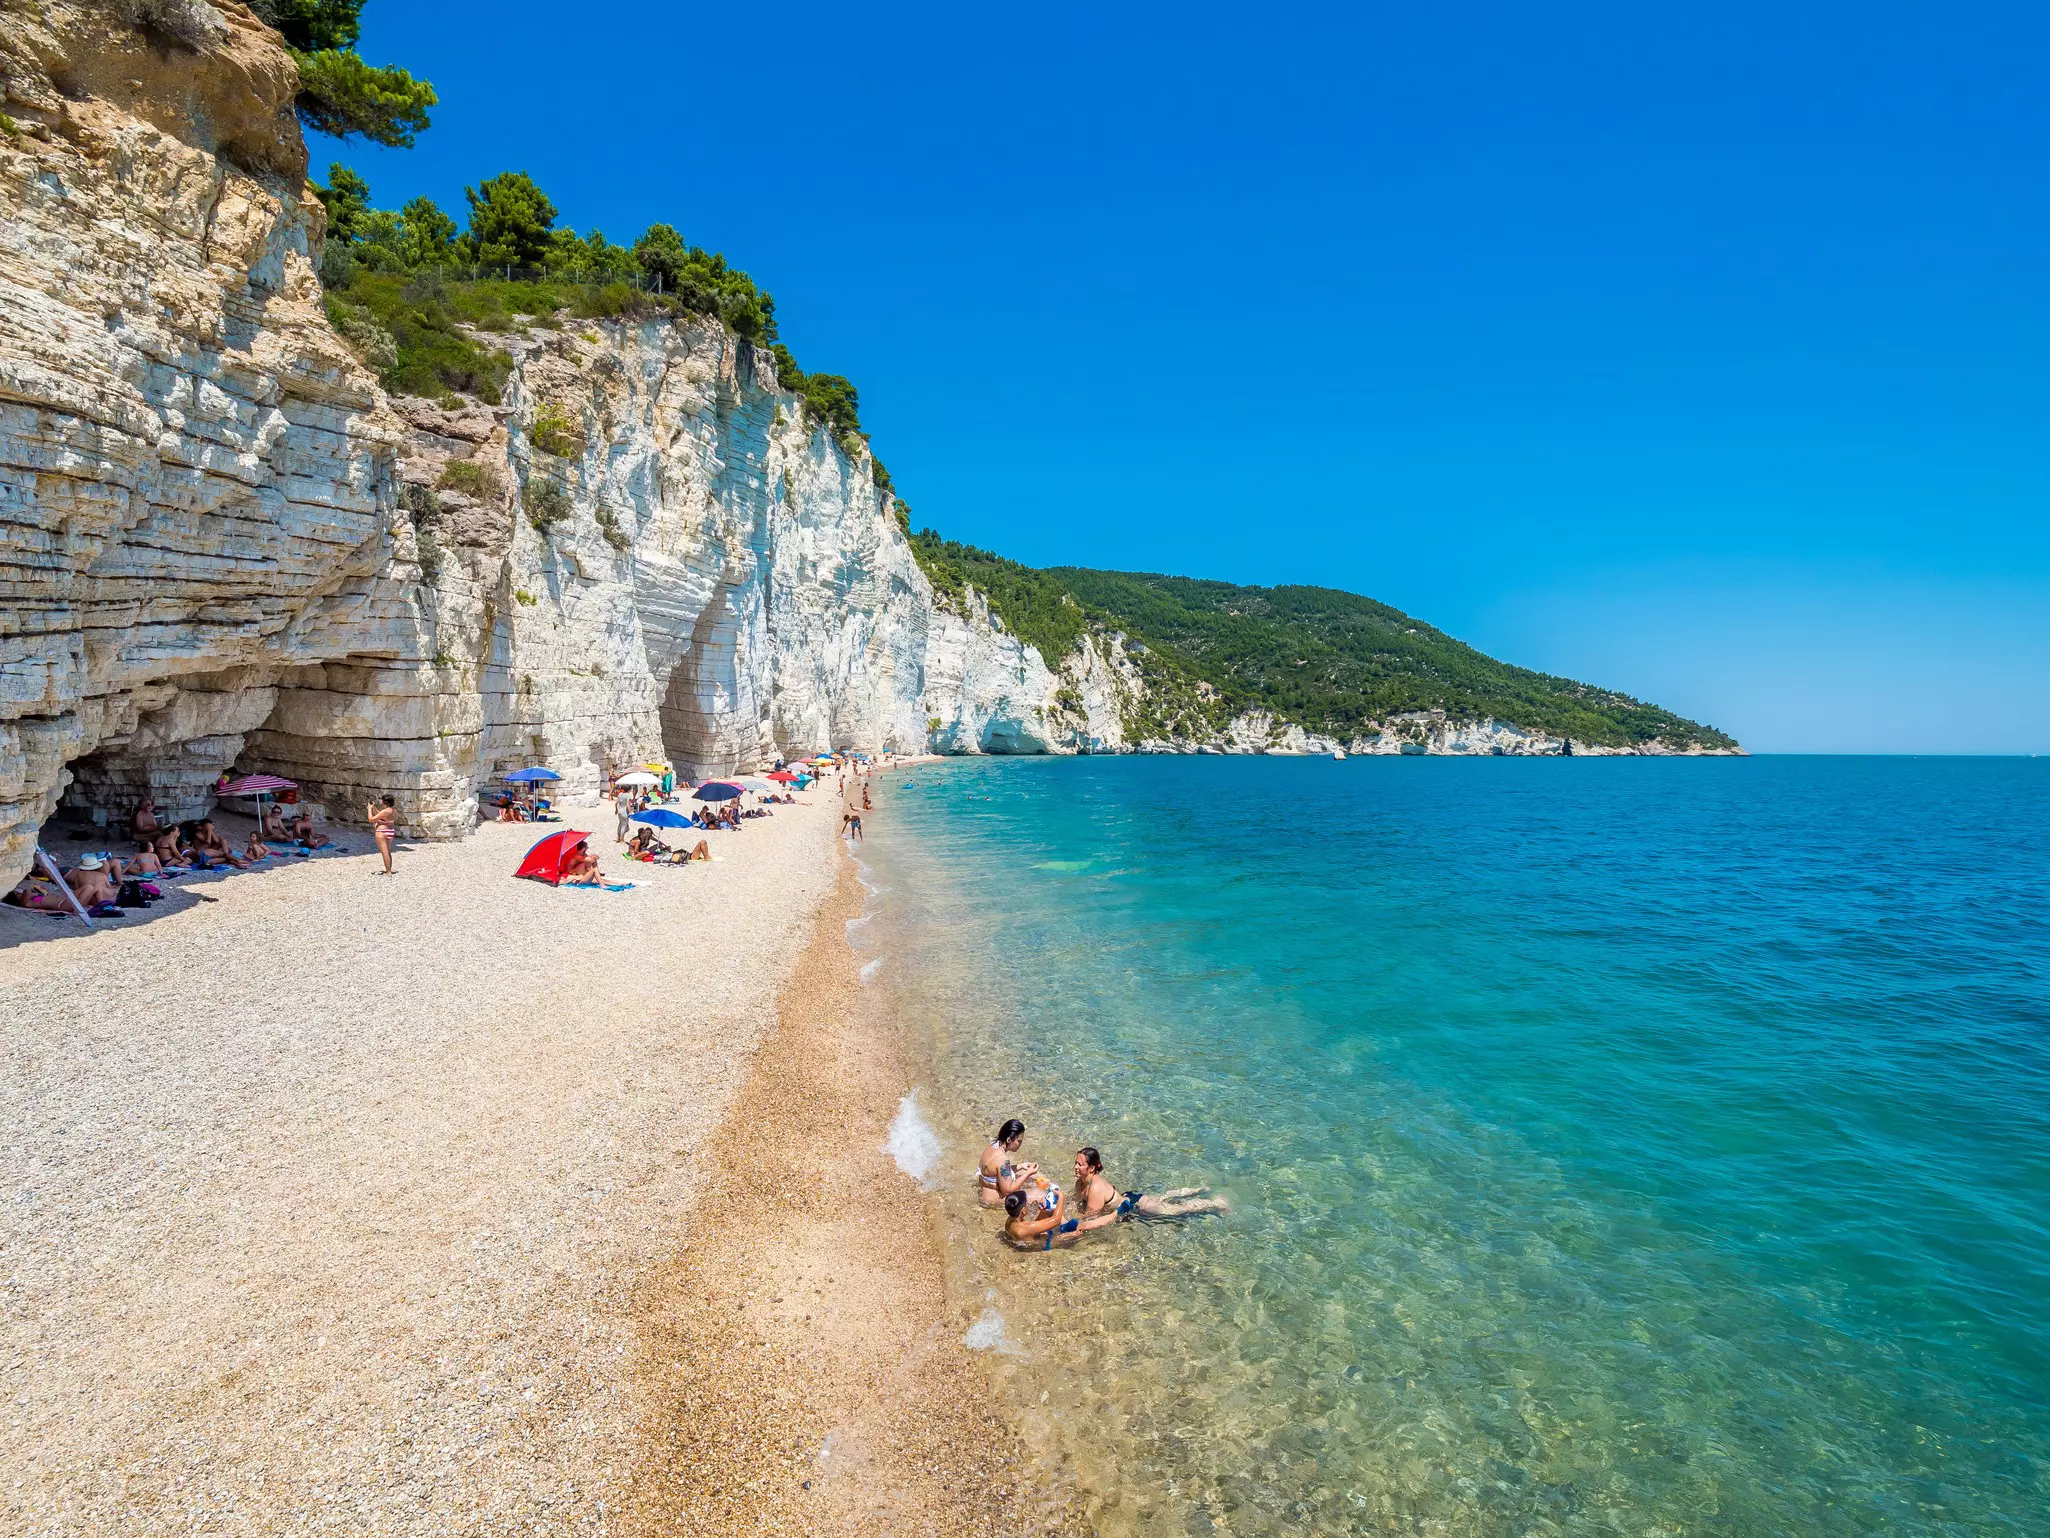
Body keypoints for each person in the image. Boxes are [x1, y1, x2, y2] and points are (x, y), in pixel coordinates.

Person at [1071, 1147, 1231, 1228]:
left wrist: (1066, 1220)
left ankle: (1216, 1203)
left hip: (1140, 1207)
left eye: (1080, 1164)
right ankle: (1201, 1189)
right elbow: (1076, 1202)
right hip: (1131, 1198)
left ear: (1091, 1168)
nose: (1076, 1167)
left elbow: (1091, 1218)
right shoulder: (1081, 1181)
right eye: (1076, 1163)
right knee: (1165, 1197)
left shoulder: (1096, 1187)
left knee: (1180, 1209)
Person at [978, 1120, 1041, 1208]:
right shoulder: (1002, 1160)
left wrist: (1021, 1166)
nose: (1020, 1144)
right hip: (993, 1197)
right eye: (1019, 1141)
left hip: (986, 1190)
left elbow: (997, 1170)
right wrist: (1028, 1173)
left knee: (1035, 1177)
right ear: (1009, 1139)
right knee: (1039, 1195)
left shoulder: (993, 1146)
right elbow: (1007, 1191)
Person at [1004, 1182, 1081, 1250]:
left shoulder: (1011, 1219)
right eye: (1027, 1203)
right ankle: (1064, 1231)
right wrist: (1061, 1197)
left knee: (1045, 1212)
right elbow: (1056, 1220)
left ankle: (1062, 1229)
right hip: (1044, 1244)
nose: (1029, 1204)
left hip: (1029, 1236)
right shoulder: (1025, 1228)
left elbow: (1032, 1228)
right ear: (1023, 1211)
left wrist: (1042, 1211)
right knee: (1075, 1234)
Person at [367, 794, 397, 875]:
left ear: (384, 802)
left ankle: (388, 872)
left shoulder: (386, 811)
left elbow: (371, 819)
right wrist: (373, 807)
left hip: (382, 832)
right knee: (388, 851)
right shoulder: (393, 810)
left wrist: (369, 809)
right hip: (390, 831)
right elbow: (380, 814)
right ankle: (389, 869)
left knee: (384, 852)